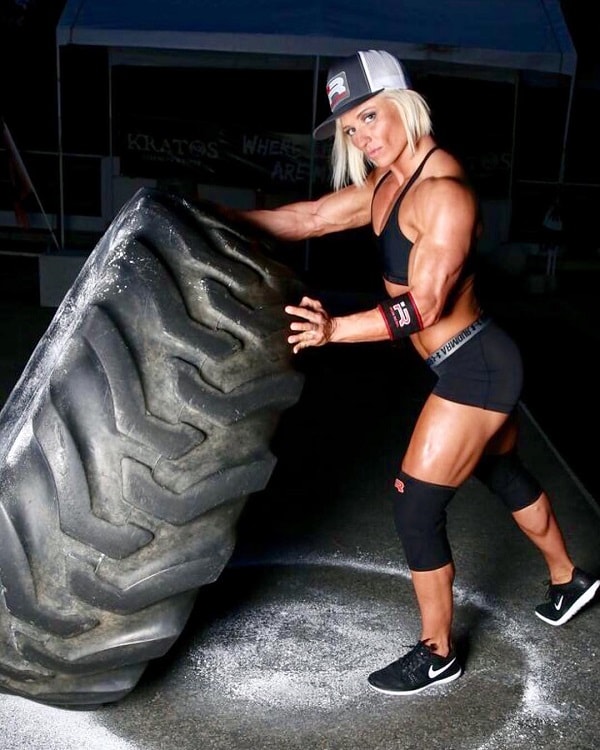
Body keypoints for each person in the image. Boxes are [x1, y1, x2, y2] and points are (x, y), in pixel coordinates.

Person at [227, 50, 600, 695]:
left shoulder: (443, 195)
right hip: (470, 362)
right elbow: (311, 217)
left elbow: (419, 306)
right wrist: (217, 220)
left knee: (415, 504)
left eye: (369, 117)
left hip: (474, 369)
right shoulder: (385, 183)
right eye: (349, 127)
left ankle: (437, 651)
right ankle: (571, 580)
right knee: (503, 470)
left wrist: (334, 329)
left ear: (403, 103)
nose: (361, 136)